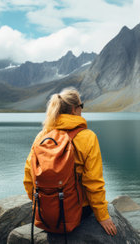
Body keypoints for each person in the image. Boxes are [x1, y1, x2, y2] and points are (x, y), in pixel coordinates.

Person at [23, 87, 117, 236]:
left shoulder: (42, 136)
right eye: (81, 106)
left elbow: (29, 176)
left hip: (45, 213)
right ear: (74, 109)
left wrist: (43, 204)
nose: (82, 110)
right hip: (78, 211)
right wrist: (103, 216)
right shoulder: (88, 137)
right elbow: (93, 182)